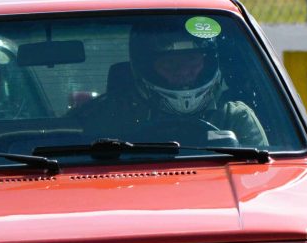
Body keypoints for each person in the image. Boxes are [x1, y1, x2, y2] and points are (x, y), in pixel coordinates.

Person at [72, 18, 268, 147]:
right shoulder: (113, 117)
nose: (183, 71)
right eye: (170, 63)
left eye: (192, 60)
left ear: (207, 62)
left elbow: (262, 174)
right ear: (146, 67)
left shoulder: (235, 116)